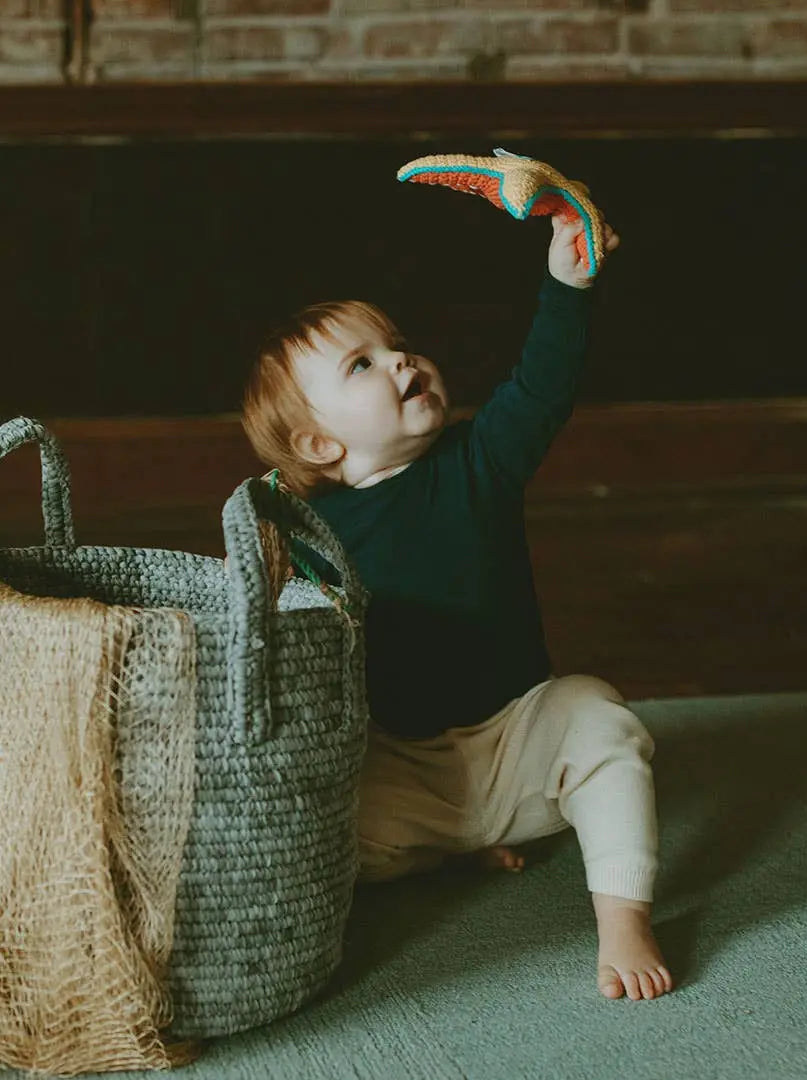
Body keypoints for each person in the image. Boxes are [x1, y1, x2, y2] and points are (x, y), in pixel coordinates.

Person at [241, 208, 673, 1001]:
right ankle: (445, 852)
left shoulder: (480, 461)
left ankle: (622, 914)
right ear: (319, 445)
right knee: (310, 824)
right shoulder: (308, 529)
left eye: (395, 343)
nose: (399, 358)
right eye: (361, 366)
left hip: (518, 737)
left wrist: (568, 284)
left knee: (601, 717)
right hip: (402, 765)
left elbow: (543, 385)